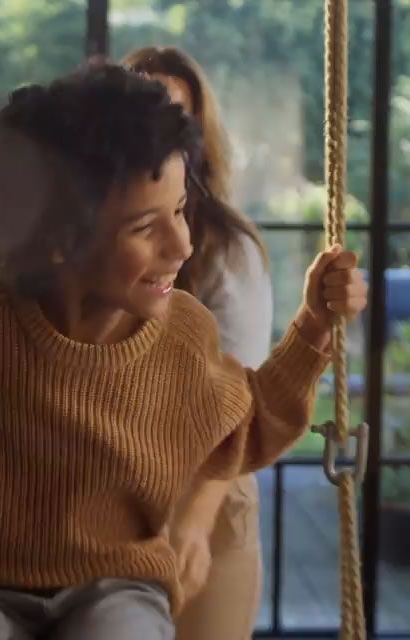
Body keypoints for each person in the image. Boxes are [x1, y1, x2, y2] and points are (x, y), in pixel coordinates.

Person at [0, 62, 367, 639]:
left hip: (120, 586)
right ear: (56, 240)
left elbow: (251, 426)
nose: (182, 244)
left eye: (179, 212)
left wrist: (314, 326)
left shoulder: (181, 337)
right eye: (146, 227)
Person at [123, 45, 271, 639]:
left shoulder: (224, 249)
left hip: (206, 499)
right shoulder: (83, 245)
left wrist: (195, 520)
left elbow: (241, 395)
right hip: (113, 502)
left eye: (175, 118)